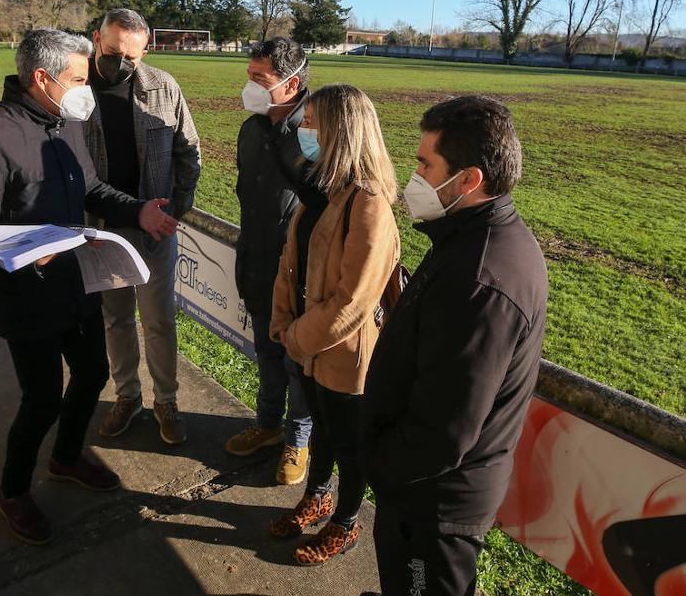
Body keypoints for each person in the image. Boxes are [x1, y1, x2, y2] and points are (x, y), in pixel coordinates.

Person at [0, 29, 177, 546]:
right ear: (41, 78)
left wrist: (136, 209)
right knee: (42, 398)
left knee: (94, 370)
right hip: (26, 296)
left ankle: (66, 457)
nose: (86, 88)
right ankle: (13, 491)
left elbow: (91, 187)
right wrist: (29, 250)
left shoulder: (66, 123)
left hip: (76, 282)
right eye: (78, 78)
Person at [360, 96, 548, 596]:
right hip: (420, 494)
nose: (414, 175)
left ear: (468, 180)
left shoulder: (481, 277)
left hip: (432, 508)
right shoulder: (468, 242)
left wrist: (378, 462)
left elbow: (444, 431)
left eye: (425, 164)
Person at [268, 84, 400, 566]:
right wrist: (284, 321)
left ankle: (344, 522)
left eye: (310, 123)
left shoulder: (368, 205)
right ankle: (317, 497)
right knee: (321, 429)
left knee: (348, 442)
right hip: (307, 342)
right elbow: (292, 262)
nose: (302, 131)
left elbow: (354, 301)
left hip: (344, 351)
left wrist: (297, 337)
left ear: (340, 131)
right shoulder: (322, 189)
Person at [84, 9, 202, 446]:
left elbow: (189, 150)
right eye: (113, 51)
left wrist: (177, 210)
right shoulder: (77, 87)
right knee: (115, 319)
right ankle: (127, 396)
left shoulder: (163, 87)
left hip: (154, 229)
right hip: (100, 229)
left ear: (145, 50)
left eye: (131, 55)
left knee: (159, 320)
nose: (122, 62)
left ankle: (166, 400)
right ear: (96, 39)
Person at [225, 37, 314, 485]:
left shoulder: (316, 135)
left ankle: (298, 441)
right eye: (250, 76)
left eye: (260, 79)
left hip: (300, 276)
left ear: (291, 83)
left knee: (297, 363)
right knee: (267, 353)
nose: (250, 87)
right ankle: (266, 426)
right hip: (258, 265)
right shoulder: (250, 129)